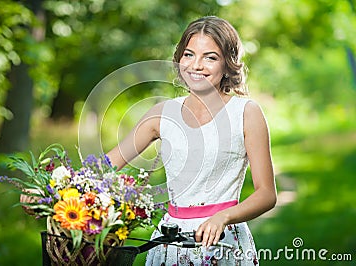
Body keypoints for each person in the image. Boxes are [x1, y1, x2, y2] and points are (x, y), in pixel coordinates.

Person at [106, 16, 276, 265]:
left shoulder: (246, 112)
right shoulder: (162, 113)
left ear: (227, 65)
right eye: (188, 54)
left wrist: (223, 217)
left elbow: (267, 194)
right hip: (169, 244)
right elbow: (103, 167)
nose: (196, 65)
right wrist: (50, 190)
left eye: (210, 57)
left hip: (221, 244)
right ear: (179, 59)